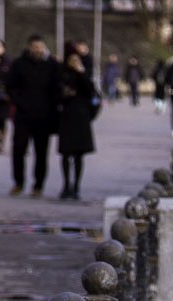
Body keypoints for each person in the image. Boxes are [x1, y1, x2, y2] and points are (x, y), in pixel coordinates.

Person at [6, 34, 58, 197]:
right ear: (29, 47)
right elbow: (10, 86)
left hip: (44, 116)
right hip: (23, 115)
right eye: (34, 47)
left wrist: (53, 108)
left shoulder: (52, 65)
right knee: (18, 149)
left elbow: (57, 88)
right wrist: (19, 101)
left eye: (40, 47)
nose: (37, 50)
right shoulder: (19, 64)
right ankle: (18, 182)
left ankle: (38, 185)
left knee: (41, 152)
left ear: (44, 48)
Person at [57, 52, 95, 200]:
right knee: (66, 154)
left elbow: (91, 91)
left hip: (81, 119)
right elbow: (56, 93)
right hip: (67, 117)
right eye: (72, 60)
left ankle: (76, 186)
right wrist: (64, 94)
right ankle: (66, 185)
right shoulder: (62, 75)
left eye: (76, 60)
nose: (74, 63)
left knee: (79, 155)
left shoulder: (83, 75)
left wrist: (82, 73)